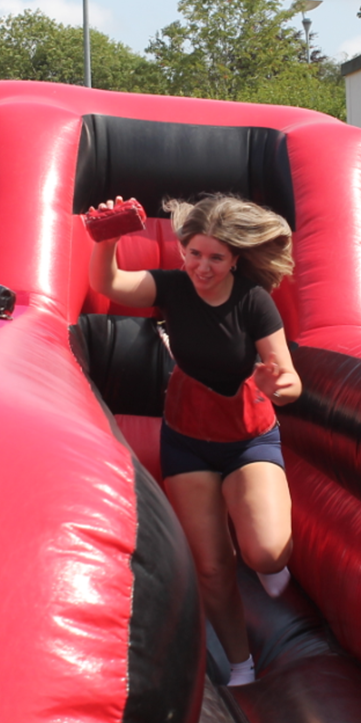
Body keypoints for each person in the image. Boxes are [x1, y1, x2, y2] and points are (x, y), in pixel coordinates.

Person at [89, 193, 301, 687]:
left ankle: (263, 562)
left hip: (248, 434)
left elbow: (290, 380)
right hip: (187, 436)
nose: (201, 267)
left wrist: (278, 385)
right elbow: (110, 283)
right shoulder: (174, 287)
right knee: (210, 566)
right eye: (193, 253)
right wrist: (106, 241)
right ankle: (241, 662)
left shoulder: (252, 299)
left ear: (235, 260)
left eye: (215, 258)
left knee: (267, 553)